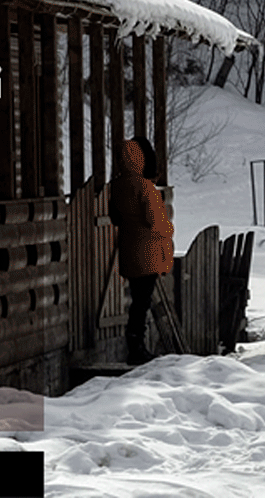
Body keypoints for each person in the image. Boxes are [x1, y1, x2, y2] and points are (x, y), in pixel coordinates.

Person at [110, 136, 173, 364]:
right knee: (142, 303)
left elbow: (115, 217)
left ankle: (135, 344)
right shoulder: (145, 188)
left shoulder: (117, 186)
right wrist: (168, 228)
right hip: (147, 254)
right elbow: (156, 222)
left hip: (128, 250)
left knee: (137, 300)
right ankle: (136, 347)